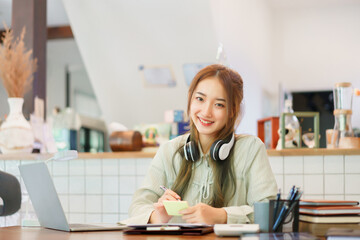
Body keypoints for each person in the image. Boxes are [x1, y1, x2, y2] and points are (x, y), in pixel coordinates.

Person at [125, 64, 277, 224]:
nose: (206, 112)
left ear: (232, 110)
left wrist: (221, 215)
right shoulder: (169, 151)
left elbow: (268, 212)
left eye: (219, 104)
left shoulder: (251, 149)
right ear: (190, 100)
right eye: (200, 99)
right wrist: (157, 216)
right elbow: (137, 207)